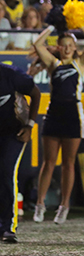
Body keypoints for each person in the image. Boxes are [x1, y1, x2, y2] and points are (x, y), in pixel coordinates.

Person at [31, 25, 84, 224]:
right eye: (64, 45)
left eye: (71, 45)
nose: (68, 48)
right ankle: (40, 204)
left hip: (73, 114)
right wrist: (51, 27)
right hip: (54, 112)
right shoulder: (53, 63)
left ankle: (64, 205)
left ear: (75, 47)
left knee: (69, 163)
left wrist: (79, 25)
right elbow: (37, 43)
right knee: (49, 162)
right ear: (59, 47)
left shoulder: (80, 63)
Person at [0, 64, 41, 243]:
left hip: (13, 131)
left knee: (6, 171)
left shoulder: (10, 74)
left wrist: (29, 125)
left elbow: (35, 93)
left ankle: (8, 226)